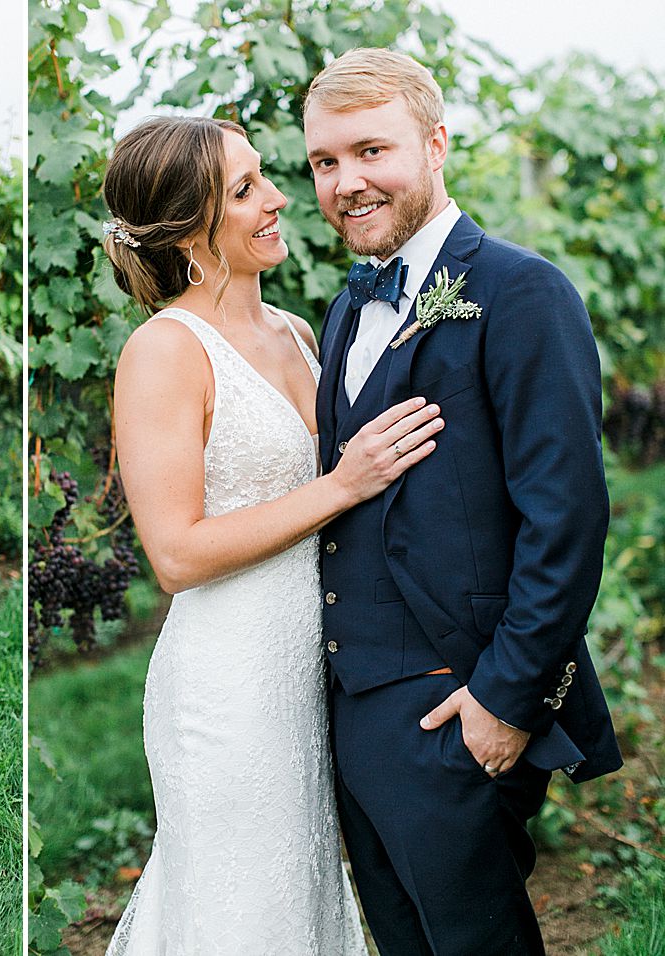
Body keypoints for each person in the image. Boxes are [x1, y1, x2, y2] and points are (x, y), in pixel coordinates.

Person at [303, 47, 621, 955]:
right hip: (353, 707)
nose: (346, 182)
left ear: (436, 144)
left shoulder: (524, 292)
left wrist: (505, 702)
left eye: (372, 151)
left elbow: (568, 519)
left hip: (457, 708)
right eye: (326, 162)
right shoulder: (344, 307)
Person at [101, 115, 445, 954]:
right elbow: (176, 553)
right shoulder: (165, 352)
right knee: (244, 909)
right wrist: (340, 485)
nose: (279, 198)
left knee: (307, 899)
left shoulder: (297, 329)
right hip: (230, 685)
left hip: (321, 670)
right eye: (245, 189)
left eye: (264, 176)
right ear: (188, 231)